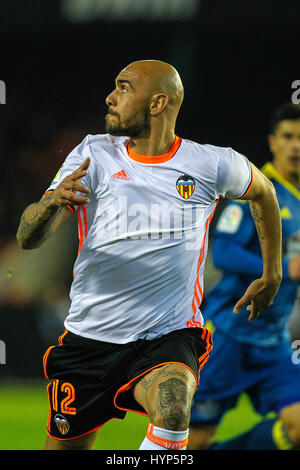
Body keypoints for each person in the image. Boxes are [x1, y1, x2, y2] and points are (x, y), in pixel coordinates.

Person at [16, 60, 282, 451]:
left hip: (167, 336)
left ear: (158, 103)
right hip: (90, 340)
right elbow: (27, 237)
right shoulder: (93, 154)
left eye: (124, 88)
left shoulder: (209, 163)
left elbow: (264, 191)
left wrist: (271, 271)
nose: (110, 97)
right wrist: (53, 202)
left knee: (173, 407)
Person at [188, 102, 300, 450]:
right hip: (229, 335)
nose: (296, 145)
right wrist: (278, 269)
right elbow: (223, 252)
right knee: (193, 442)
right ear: (272, 141)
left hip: (273, 342)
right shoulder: (255, 190)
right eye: (288, 137)